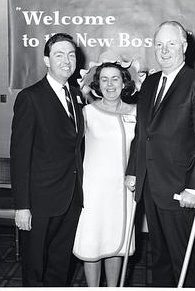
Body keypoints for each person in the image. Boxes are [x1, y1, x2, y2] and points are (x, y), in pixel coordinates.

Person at [125, 21, 195, 287]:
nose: (164, 50)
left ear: (184, 47)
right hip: (152, 188)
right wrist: (133, 169)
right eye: (159, 44)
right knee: (160, 259)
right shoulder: (150, 83)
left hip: (182, 190)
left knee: (187, 263)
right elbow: (142, 133)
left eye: (171, 44)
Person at [10, 33, 85, 287]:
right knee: (35, 268)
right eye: (59, 55)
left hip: (71, 199)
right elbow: (19, 156)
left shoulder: (76, 95)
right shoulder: (30, 97)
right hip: (39, 203)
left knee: (60, 266)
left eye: (71, 55)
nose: (67, 61)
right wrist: (22, 206)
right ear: (46, 60)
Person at [73, 52, 145, 287]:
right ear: (97, 84)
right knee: (92, 243)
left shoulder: (137, 113)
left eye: (115, 79)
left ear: (124, 83)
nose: (110, 84)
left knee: (116, 244)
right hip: (93, 192)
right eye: (104, 79)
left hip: (123, 191)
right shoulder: (87, 113)